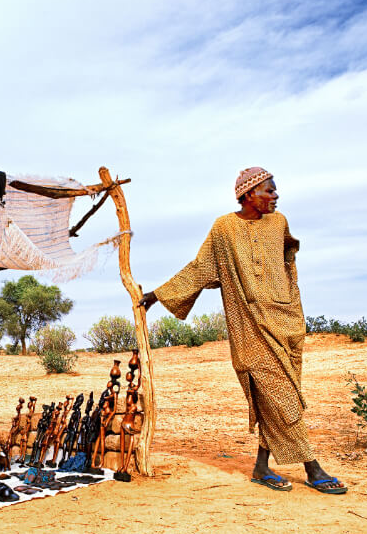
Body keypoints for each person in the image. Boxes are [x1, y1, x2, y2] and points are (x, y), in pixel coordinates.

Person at [140, 167, 346, 494]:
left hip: (286, 326)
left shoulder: (279, 224)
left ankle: (262, 467)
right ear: (249, 193)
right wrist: (158, 294)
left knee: (274, 400)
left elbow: (289, 265)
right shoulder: (224, 228)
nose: (276, 196)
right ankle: (312, 467)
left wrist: (293, 311)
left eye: (275, 191)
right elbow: (201, 269)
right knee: (284, 398)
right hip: (249, 331)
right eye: (269, 191)